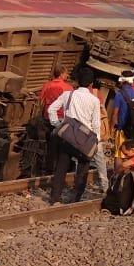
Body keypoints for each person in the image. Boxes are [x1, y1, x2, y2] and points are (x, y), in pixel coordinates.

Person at [47, 67, 101, 204]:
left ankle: (55, 197)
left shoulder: (68, 95)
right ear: (91, 85)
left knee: (61, 167)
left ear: (77, 82)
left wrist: (57, 124)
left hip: (68, 137)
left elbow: (51, 109)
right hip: (85, 139)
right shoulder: (94, 100)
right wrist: (97, 141)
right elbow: (96, 124)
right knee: (82, 168)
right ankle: (75, 198)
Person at [38, 66, 74, 174]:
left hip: (48, 118)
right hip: (62, 119)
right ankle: (60, 168)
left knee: (50, 143)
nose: (67, 75)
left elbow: (41, 101)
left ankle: (49, 167)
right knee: (62, 145)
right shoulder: (68, 88)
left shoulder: (47, 85)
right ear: (62, 74)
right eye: (66, 73)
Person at [111, 69, 134, 165]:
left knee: (119, 154)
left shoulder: (119, 95)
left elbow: (115, 113)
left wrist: (112, 128)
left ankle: (118, 177)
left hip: (123, 129)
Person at [90, 78, 110, 193]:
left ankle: (78, 184)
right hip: (97, 131)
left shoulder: (79, 94)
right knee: (100, 159)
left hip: (84, 130)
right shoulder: (98, 94)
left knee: (79, 159)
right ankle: (105, 185)